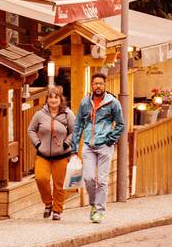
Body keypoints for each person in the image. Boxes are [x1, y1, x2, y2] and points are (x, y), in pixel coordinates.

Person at [71, 71, 125, 224]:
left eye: (100, 83)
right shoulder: (85, 103)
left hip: (105, 146)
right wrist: (74, 147)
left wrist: (111, 139)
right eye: (95, 84)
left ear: (105, 85)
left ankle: (99, 210)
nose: (98, 86)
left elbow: (120, 124)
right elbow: (78, 124)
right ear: (92, 85)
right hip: (88, 145)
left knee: (102, 180)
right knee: (89, 178)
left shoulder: (113, 102)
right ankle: (94, 204)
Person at [27, 85, 76, 220]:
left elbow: (75, 132)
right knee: (40, 178)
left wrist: (67, 143)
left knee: (59, 184)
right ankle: (48, 203)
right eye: (50, 97)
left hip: (62, 155)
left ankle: (57, 210)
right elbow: (30, 130)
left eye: (56, 97)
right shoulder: (39, 114)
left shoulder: (68, 114)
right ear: (47, 99)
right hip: (43, 155)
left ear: (61, 99)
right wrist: (37, 144)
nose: (53, 100)